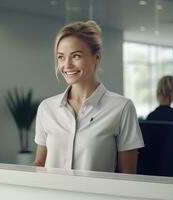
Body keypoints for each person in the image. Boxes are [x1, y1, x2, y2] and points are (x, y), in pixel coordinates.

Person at [33, 20, 144, 173]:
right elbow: (40, 163)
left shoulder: (122, 108)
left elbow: (128, 175)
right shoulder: (47, 108)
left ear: (97, 57)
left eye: (76, 56)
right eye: (61, 57)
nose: (67, 65)